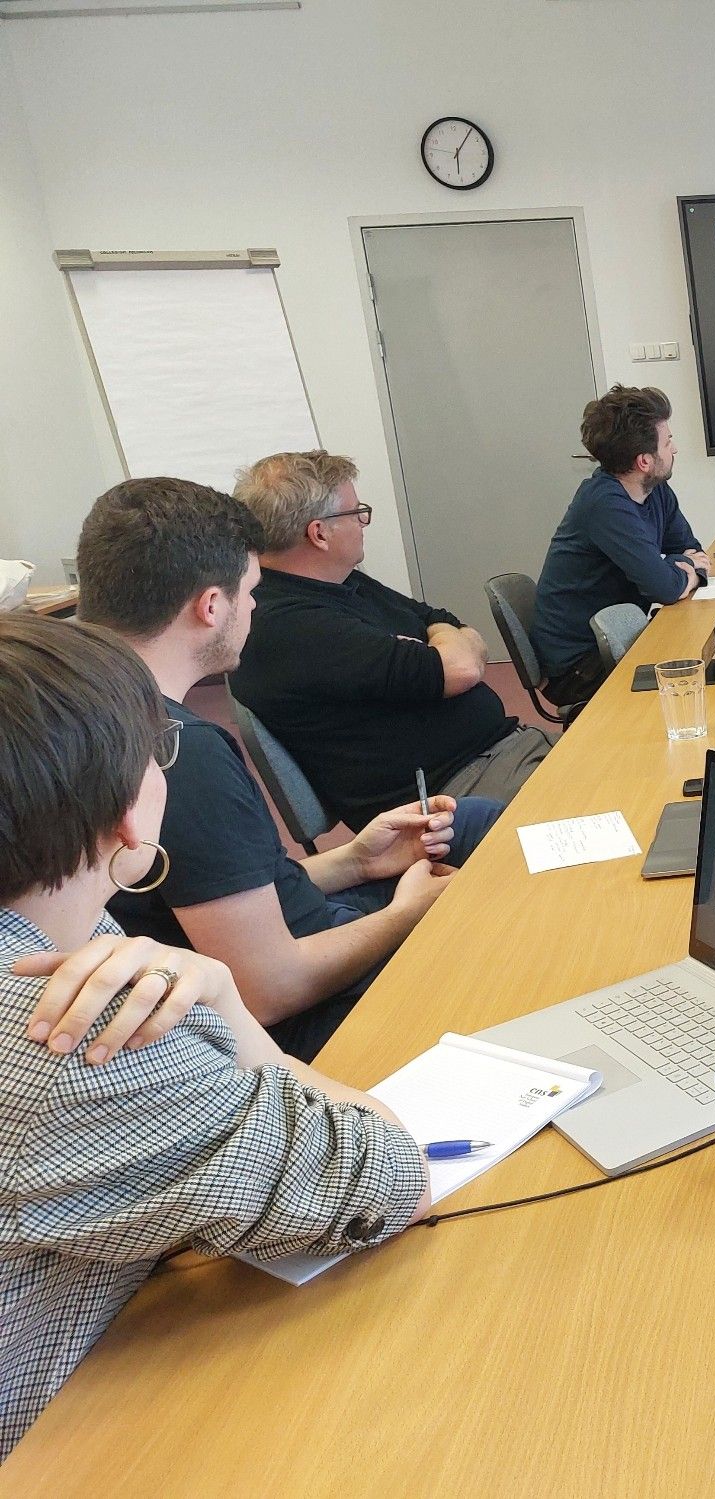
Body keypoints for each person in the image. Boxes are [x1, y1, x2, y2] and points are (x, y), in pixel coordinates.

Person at [0, 611, 430, 1456]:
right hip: (73, 1440)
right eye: (158, 755)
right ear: (130, 816)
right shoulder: (80, 1036)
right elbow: (390, 1179)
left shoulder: (80, 940)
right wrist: (228, 1004)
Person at [76, 477, 479, 1061]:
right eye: (252, 591)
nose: (257, 607)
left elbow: (216, 895)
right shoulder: (178, 754)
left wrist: (356, 858)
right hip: (314, 1014)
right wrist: (407, 914)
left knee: (479, 820)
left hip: (289, 939)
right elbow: (269, 990)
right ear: (212, 606)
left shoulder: (80, 707)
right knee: (516, 930)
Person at [229, 450, 553, 830]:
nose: (363, 522)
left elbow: (440, 619)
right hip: (453, 799)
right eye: (355, 513)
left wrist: (437, 645)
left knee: (629, 762)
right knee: (627, 803)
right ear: (319, 533)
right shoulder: (285, 625)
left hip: (502, 753)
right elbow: (463, 667)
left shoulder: (341, 580)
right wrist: (444, 650)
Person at [532, 386, 713, 706]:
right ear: (645, 460)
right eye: (668, 442)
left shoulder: (655, 489)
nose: (676, 449)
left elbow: (690, 549)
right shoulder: (604, 504)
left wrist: (673, 567)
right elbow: (665, 587)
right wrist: (681, 571)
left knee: (709, 663)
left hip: (621, 633)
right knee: (703, 680)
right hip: (580, 665)